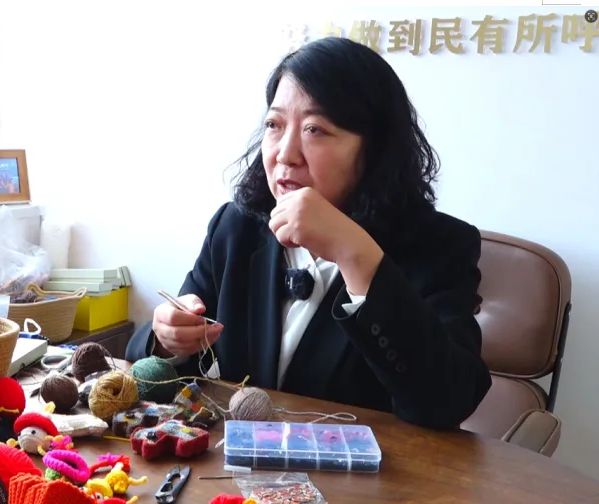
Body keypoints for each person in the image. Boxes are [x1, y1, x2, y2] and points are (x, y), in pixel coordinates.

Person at [126, 37, 492, 430]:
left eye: (315, 129)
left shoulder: (440, 245)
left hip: (361, 467)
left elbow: (446, 402)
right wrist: (167, 339)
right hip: (233, 462)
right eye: (274, 125)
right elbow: (161, 350)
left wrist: (356, 255)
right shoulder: (237, 228)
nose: (285, 153)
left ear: (375, 150)